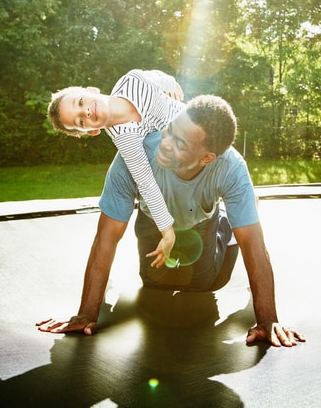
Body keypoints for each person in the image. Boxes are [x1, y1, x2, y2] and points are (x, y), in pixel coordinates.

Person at [38, 95, 305, 347]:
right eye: (169, 131)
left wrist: (267, 319)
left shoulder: (230, 168)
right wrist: (86, 314)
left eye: (180, 144)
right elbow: (107, 236)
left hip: (201, 221)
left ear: (206, 158)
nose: (165, 143)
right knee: (155, 282)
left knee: (204, 284)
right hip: (152, 219)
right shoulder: (134, 155)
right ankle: (227, 213)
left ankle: (230, 218)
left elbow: (253, 244)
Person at [47, 69, 184, 268]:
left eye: (80, 102)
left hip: (194, 128)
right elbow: (145, 182)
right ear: (92, 131)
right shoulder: (124, 138)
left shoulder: (132, 80)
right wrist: (167, 231)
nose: (84, 112)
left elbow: (157, 76)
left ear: (91, 90)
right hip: (175, 164)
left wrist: (171, 83)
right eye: (80, 121)